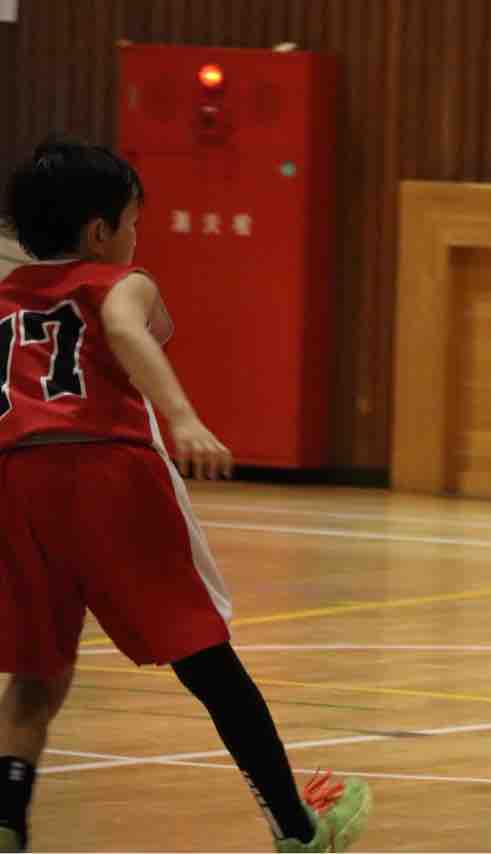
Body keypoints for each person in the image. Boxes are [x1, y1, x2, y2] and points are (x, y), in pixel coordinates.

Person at [0, 137, 371, 852]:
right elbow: (123, 328)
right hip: (103, 470)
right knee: (208, 659)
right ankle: (297, 828)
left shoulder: (6, 300)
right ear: (100, 231)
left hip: (12, 479)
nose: (137, 238)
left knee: (37, 674)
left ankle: (7, 822)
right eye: (134, 223)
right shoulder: (120, 281)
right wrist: (183, 417)